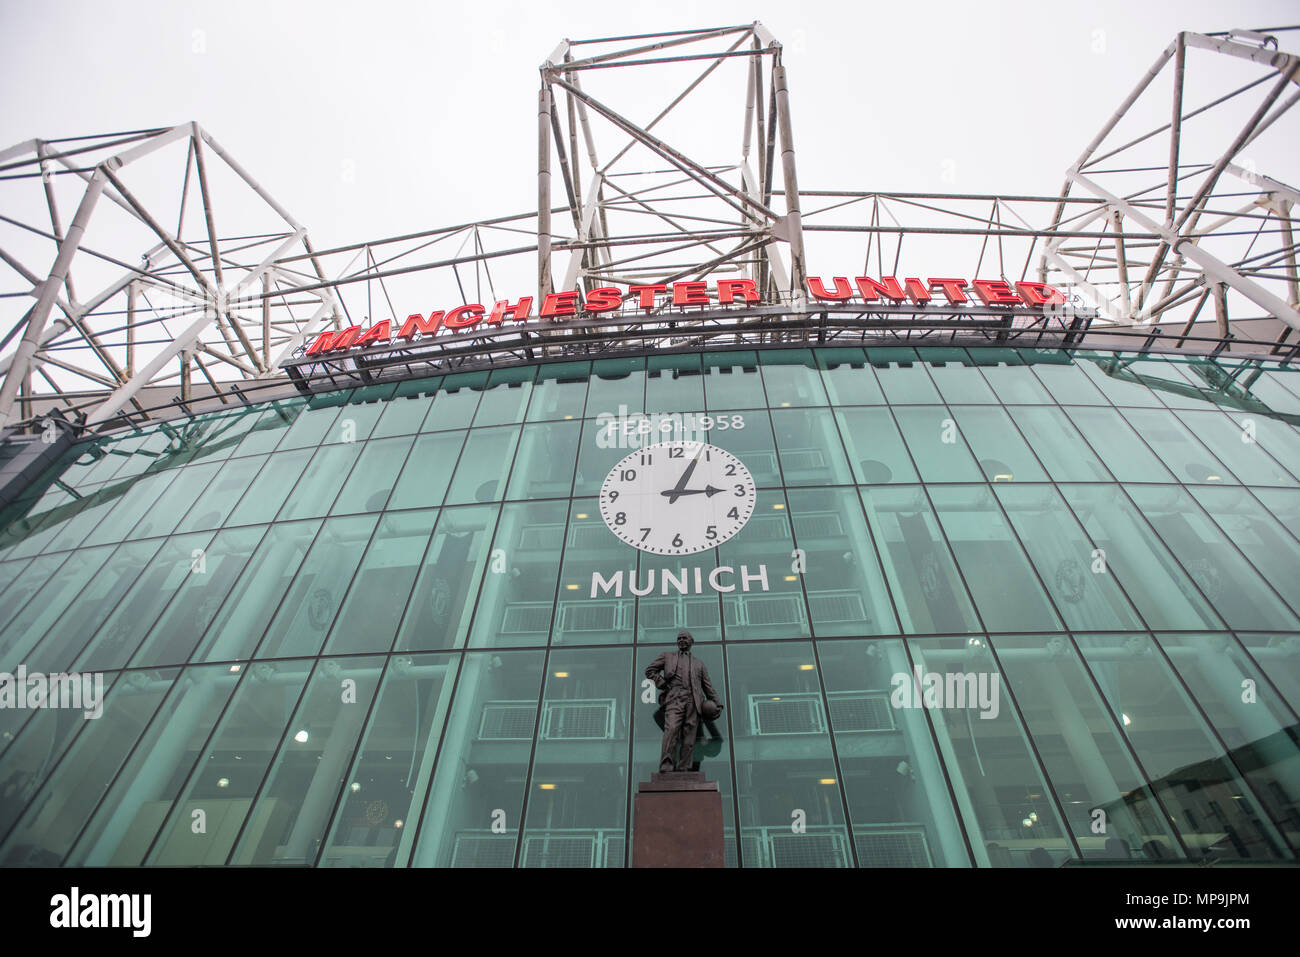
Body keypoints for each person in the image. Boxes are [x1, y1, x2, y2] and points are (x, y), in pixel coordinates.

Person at [644, 631, 724, 773]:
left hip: (693, 700)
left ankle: (684, 767)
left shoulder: (699, 664)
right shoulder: (667, 656)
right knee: (671, 730)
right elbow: (650, 670)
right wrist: (661, 682)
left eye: (684, 638)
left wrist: (718, 704)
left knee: (689, 735)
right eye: (679, 638)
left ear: (691, 641)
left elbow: (708, 686)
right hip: (674, 698)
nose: (681, 640)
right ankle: (666, 765)